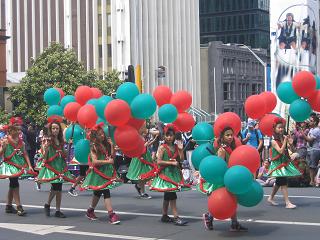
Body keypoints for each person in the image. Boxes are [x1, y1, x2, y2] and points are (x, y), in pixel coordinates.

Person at [203, 127, 247, 232]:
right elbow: (219, 166)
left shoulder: (232, 147)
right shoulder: (221, 150)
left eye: (232, 135)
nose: (230, 137)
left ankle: (234, 223)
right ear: (222, 136)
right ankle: (209, 216)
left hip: (231, 178)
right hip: (223, 179)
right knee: (222, 201)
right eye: (228, 135)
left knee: (232, 200)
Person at [150, 124, 190, 226]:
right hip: (166, 174)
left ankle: (164, 215)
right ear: (164, 136)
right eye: (167, 135)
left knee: (168, 195)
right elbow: (158, 161)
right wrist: (171, 163)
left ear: (174, 136)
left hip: (174, 174)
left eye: (171, 135)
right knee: (172, 195)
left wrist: (181, 150)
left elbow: (181, 160)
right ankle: (176, 217)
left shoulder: (176, 146)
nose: (168, 137)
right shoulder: (162, 147)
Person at [81, 124, 122, 224]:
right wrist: (108, 162)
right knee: (106, 192)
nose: (102, 136)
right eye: (99, 135)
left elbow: (112, 157)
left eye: (102, 134)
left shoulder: (105, 144)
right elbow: (94, 162)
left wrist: (112, 146)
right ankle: (111, 214)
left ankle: (90, 211)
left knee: (98, 192)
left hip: (107, 171)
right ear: (95, 136)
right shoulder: (93, 146)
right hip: (98, 173)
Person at [37, 118, 74, 218]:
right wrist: (46, 147)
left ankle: (57, 209)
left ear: (59, 130)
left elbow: (65, 155)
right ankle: (48, 204)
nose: (55, 130)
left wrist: (68, 145)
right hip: (52, 166)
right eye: (53, 128)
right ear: (50, 129)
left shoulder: (61, 140)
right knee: (56, 187)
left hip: (60, 165)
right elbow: (44, 156)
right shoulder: (46, 139)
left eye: (57, 128)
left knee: (59, 188)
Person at [0, 117, 35, 216]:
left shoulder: (21, 141)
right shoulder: (5, 140)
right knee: (15, 183)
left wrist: (29, 165)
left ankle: (8, 206)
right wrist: (3, 148)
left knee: (13, 184)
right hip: (9, 165)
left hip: (19, 165)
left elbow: (25, 153)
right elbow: (1, 153)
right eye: (17, 129)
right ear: (10, 130)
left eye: (19, 129)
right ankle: (19, 206)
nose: (19, 131)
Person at [267, 119, 301, 209]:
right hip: (278, 165)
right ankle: (287, 202)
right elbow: (281, 151)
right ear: (274, 128)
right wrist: (285, 141)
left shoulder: (283, 138)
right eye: (279, 128)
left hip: (284, 163)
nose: (281, 129)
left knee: (279, 181)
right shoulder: (273, 141)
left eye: (282, 127)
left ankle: (270, 198)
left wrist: (291, 143)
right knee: (283, 182)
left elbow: (292, 150)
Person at [127, 126, 156, 199]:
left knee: (146, 174)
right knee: (142, 175)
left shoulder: (142, 137)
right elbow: (138, 149)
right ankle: (142, 192)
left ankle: (139, 187)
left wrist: (153, 140)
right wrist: (145, 145)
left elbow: (146, 146)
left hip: (145, 157)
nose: (144, 130)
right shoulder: (137, 138)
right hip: (140, 158)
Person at [303, 115, 320, 186]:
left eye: (311, 121)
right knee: (310, 166)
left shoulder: (317, 130)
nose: (309, 122)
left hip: (315, 149)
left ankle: (314, 181)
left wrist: (302, 133)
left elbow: (309, 140)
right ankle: (312, 181)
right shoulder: (311, 129)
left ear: (315, 122)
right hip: (310, 149)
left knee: (313, 166)